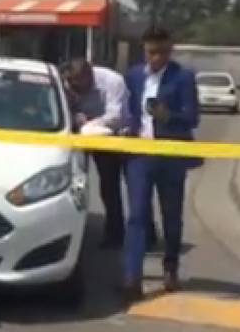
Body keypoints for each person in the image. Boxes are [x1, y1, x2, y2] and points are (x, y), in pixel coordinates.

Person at [121, 26, 201, 302]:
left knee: (171, 216)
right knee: (137, 215)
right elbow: (128, 109)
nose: (156, 57)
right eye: (151, 52)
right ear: (144, 50)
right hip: (140, 155)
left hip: (170, 156)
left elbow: (193, 118)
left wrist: (169, 116)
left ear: (170, 50)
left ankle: (170, 268)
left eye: (162, 52)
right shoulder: (133, 75)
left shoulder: (183, 77)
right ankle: (132, 277)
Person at [60, 58, 158, 250]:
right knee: (108, 188)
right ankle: (115, 233)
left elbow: (116, 116)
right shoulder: (68, 86)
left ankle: (147, 233)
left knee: (136, 188)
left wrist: (89, 123)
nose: (73, 87)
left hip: (125, 136)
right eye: (70, 82)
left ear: (89, 75)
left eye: (77, 83)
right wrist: (75, 116)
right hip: (98, 140)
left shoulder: (112, 81)